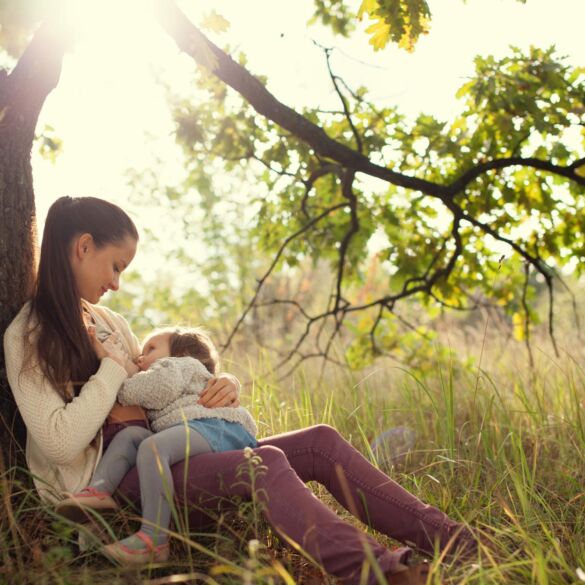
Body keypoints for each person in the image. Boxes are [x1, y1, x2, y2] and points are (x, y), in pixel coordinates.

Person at [4, 195, 478, 585]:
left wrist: (218, 379)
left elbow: (156, 381)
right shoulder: (28, 335)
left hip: (168, 457)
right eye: (115, 266)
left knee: (319, 441)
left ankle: (457, 543)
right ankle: (376, 573)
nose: (117, 283)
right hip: (120, 491)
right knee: (263, 463)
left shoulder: (109, 321)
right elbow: (61, 442)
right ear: (83, 246)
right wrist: (109, 374)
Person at [56, 326, 258, 563]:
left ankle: (154, 540)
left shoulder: (177, 365)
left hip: (216, 426)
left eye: (151, 348)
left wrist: (115, 370)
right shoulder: (171, 375)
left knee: (152, 448)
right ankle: (99, 490)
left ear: (180, 353)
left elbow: (151, 389)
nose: (141, 357)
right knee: (131, 436)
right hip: (195, 429)